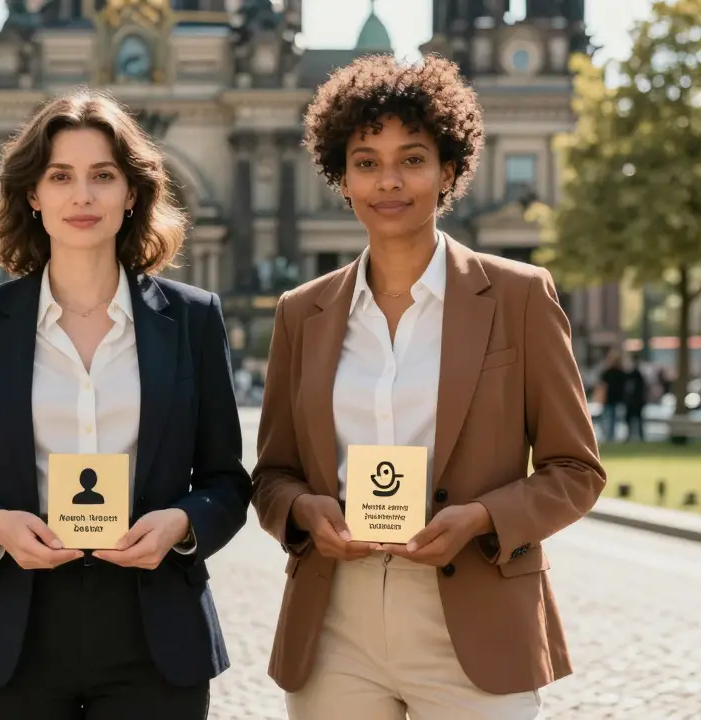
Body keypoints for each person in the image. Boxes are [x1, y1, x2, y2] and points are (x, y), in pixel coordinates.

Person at [251, 54, 606, 720]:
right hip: (334, 631)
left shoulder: (520, 296)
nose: (389, 181)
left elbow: (575, 471)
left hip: (475, 624)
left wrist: (482, 519)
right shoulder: (301, 312)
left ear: (447, 172)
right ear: (342, 178)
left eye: (412, 159)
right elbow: (273, 475)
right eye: (366, 162)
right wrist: (303, 513)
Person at [0, 88, 252, 719]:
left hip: (156, 635)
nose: (83, 196)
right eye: (60, 176)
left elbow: (226, 483)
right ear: (33, 196)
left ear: (133, 194)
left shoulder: (193, 320)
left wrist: (182, 525)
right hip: (14, 634)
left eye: (104, 175)